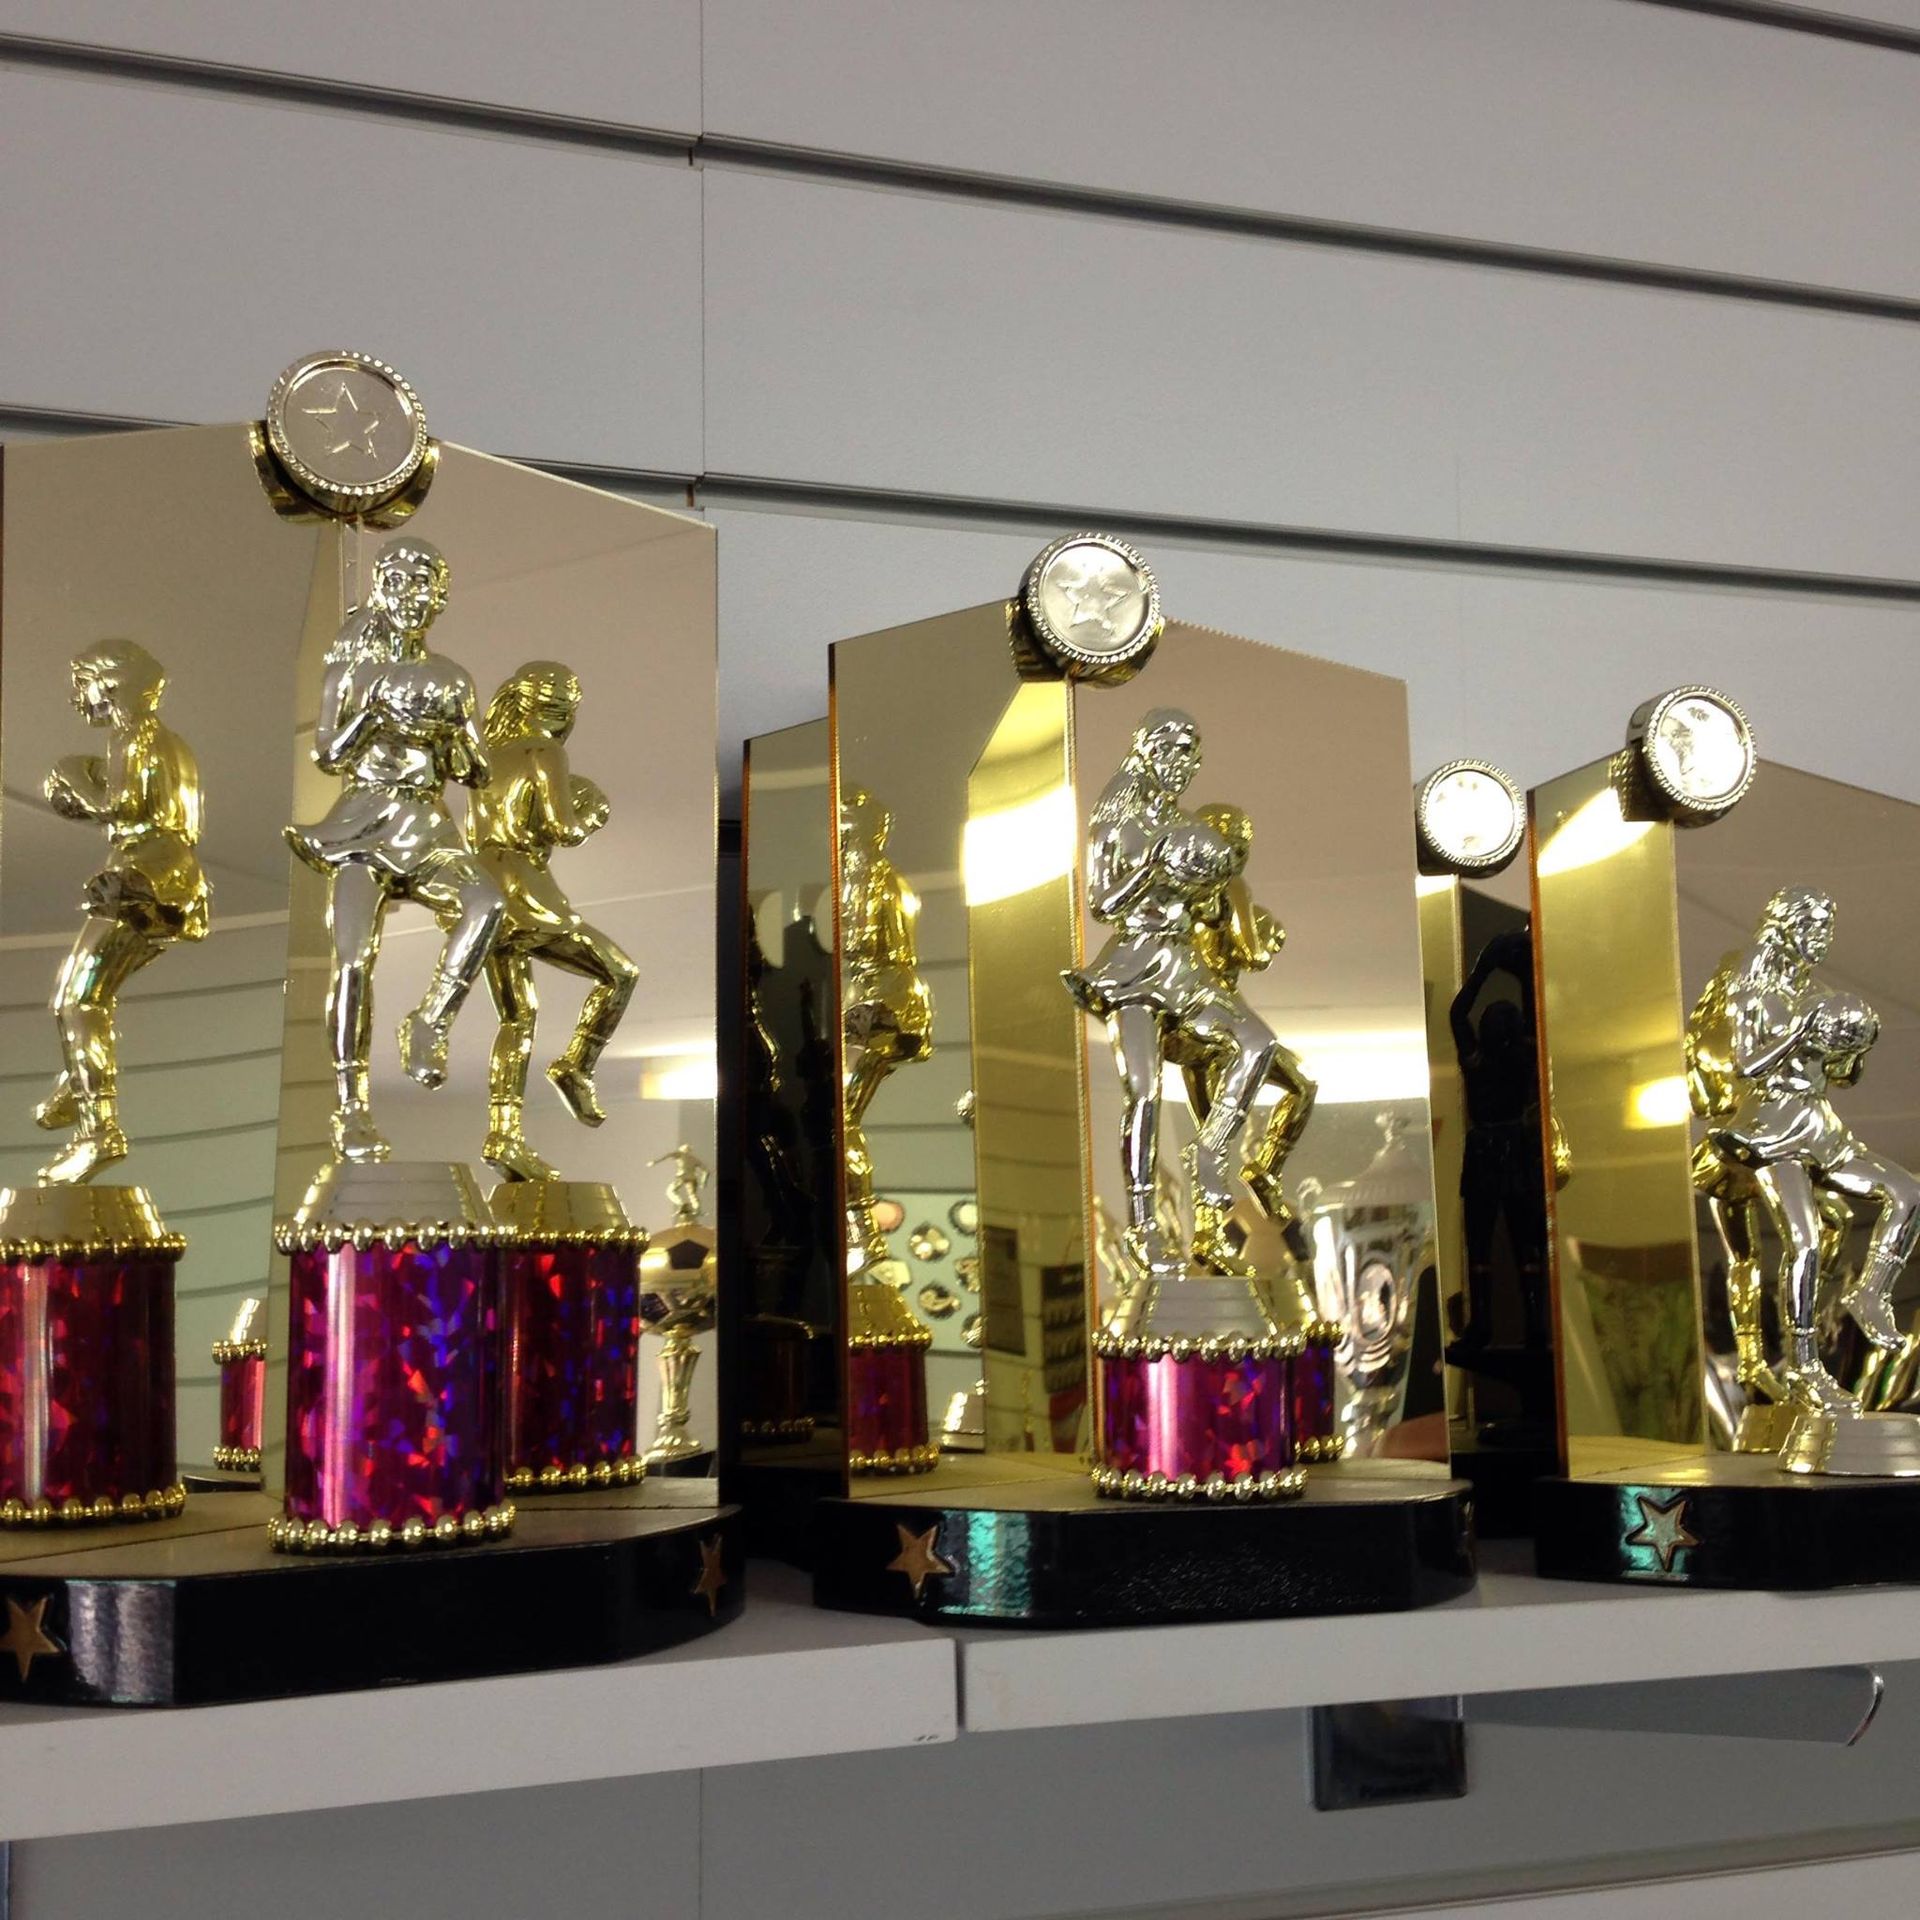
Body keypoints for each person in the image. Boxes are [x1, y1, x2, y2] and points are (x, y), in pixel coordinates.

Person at [286, 537, 507, 1163]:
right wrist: (377, 710)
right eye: (401, 584)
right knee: (354, 959)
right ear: (381, 591)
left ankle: (432, 1018)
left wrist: (454, 731)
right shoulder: (350, 671)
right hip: (363, 822)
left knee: (486, 903)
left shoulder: (450, 676)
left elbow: (476, 770)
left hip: (427, 820)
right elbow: (328, 754)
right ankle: (351, 1103)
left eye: (424, 586)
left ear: (438, 598)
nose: (413, 597)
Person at [1064, 710, 1285, 1278]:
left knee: (1257, 1044)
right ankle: (1141, 1225)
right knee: (1143, 1094)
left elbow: (1205, 902)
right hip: (1133, 964)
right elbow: (1103, 904)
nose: (1180, 762)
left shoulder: (1187, 824)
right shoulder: (1116, 821)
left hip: (1181, 964)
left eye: (1190, 753)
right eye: (1171, 749)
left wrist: (1212, 882)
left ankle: (1210, 1151)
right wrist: (1155, 865)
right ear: (1145, 753)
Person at [1708, 888, 1920, 1411]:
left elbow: (1837, 1078)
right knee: (1802, 1241)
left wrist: (1854, 1048)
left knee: (1907, 1191)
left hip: (1819, 1127)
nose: (1823, 940)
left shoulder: (1813, 989)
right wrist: (1801, 1031)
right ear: (1787, 926)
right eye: (1816, 928)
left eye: (1827, 929)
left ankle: (1871, 1292)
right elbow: (1747, 1066)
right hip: (1772, 1126)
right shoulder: (1751, 987)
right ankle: (1804, 1367)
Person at [37, 641, 209, 1183]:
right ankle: (78, 1077)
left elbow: (121, 807)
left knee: (75, 999)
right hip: (172, 876)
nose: (76, 697)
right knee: (93, 996)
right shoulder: (171, 742)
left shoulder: (132, 735)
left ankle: (98, 1129)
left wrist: (69, 789)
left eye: (82, 682)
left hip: (142, 877)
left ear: (112, 683)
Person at [468, 660, 637, 1180]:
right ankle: (576, 1064)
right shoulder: (545, 750)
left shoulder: (486, 757)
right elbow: (562, 828)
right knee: (618, 972)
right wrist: (590, 813)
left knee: (517, 1018)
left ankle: (504, 1134)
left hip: (482, 889)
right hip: (525, 888)